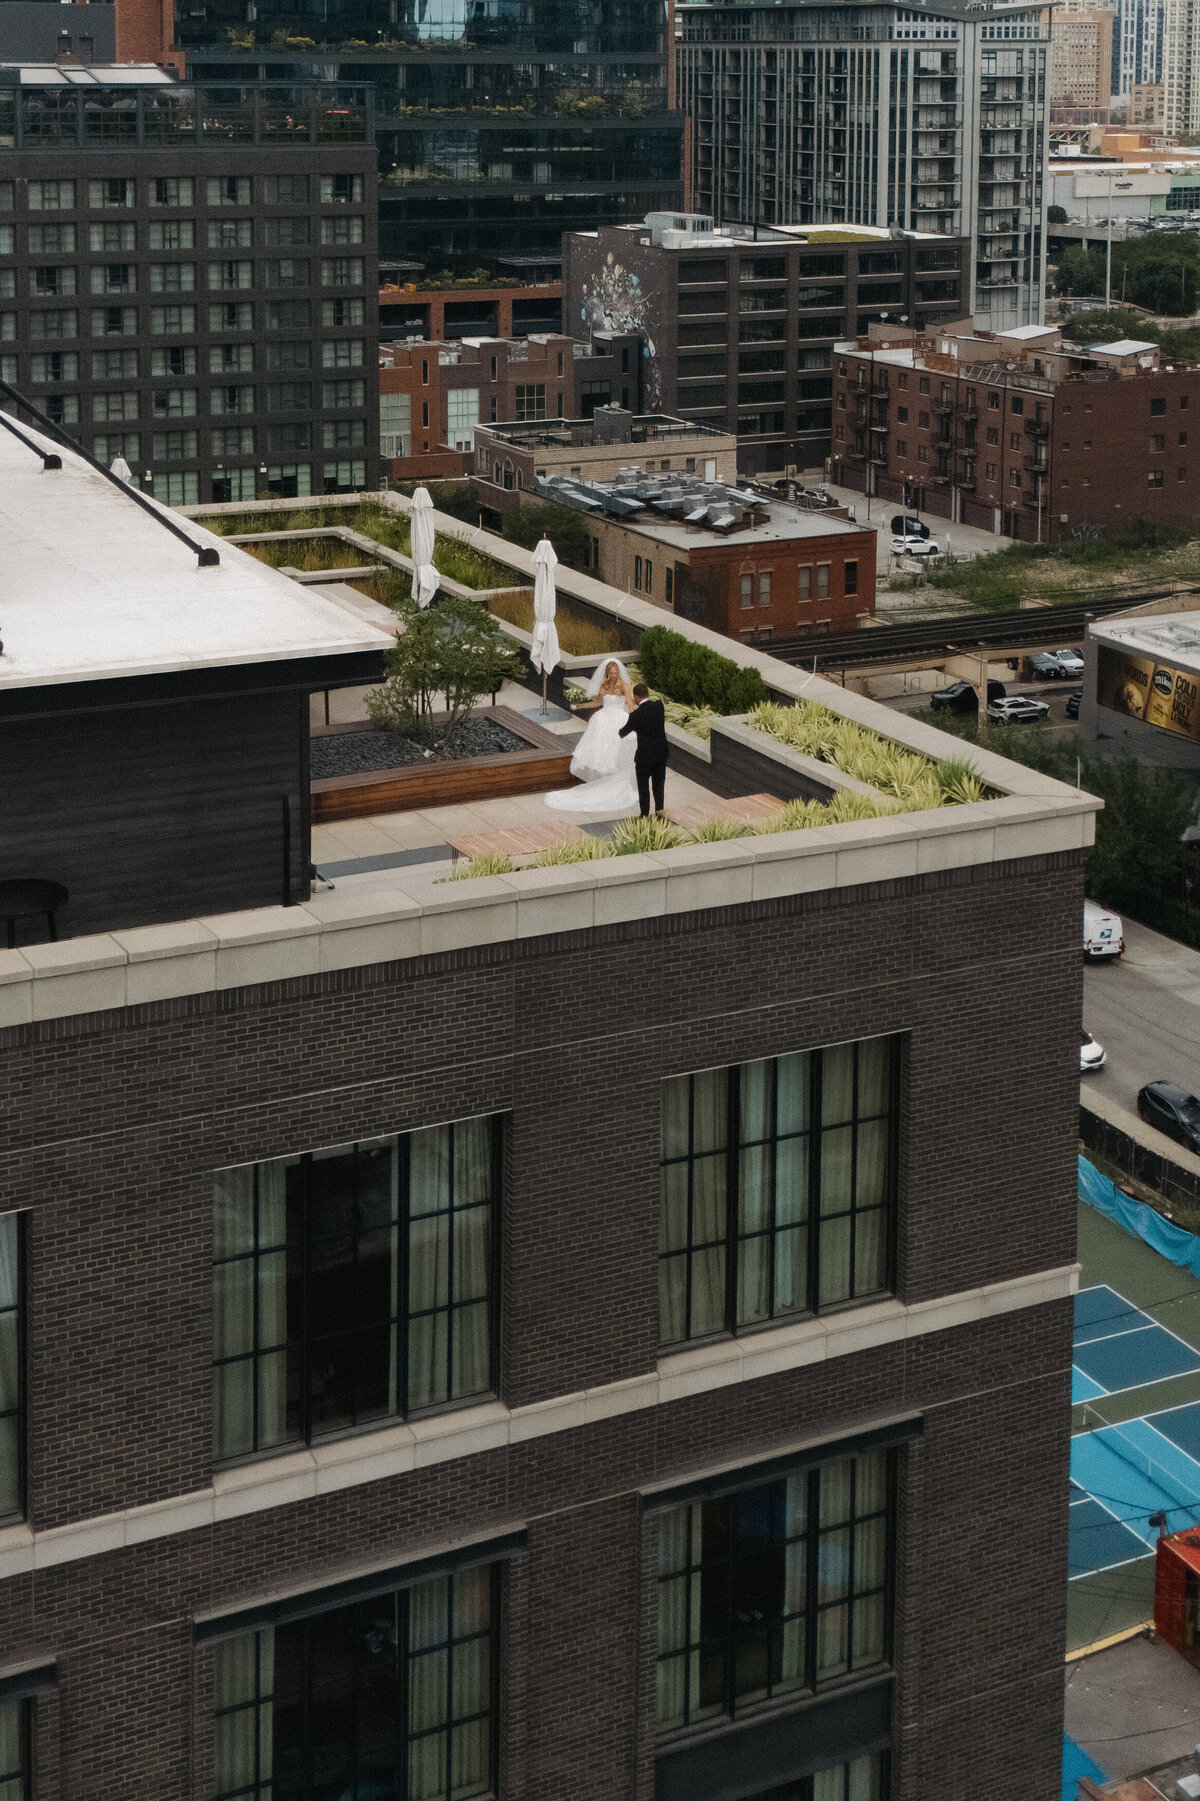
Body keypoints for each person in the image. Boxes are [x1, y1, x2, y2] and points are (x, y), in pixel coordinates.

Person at [544, 658, 638, 815]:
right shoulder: (603, 686)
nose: (613, 676)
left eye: (615, 673)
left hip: (619, 720)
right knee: (601, 751)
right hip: (604, 719)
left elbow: (629, 704)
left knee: (617, 751)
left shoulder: (624, 686)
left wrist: (636, 722)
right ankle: (604, 779)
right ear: (607, 673)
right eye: (611, 673)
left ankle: (617, 781)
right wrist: (579, 705)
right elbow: (597, 703)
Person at [619, 683, 669, 818]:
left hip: (644, 757)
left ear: (636, 696)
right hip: (660, 754)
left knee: (643, 787)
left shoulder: (636, 715)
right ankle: (660, 812)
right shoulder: (659, 706)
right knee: (659, 784)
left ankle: (644, 815)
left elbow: (623, 732)